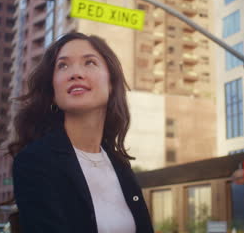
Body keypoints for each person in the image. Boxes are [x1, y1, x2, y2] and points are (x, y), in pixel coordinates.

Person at [9, 32, 154, 233]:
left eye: (89, 62)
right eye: (63, 65)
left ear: (111, 84)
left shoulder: (121, 165)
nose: (75, 73)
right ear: (52, 92)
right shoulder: (34, 162)